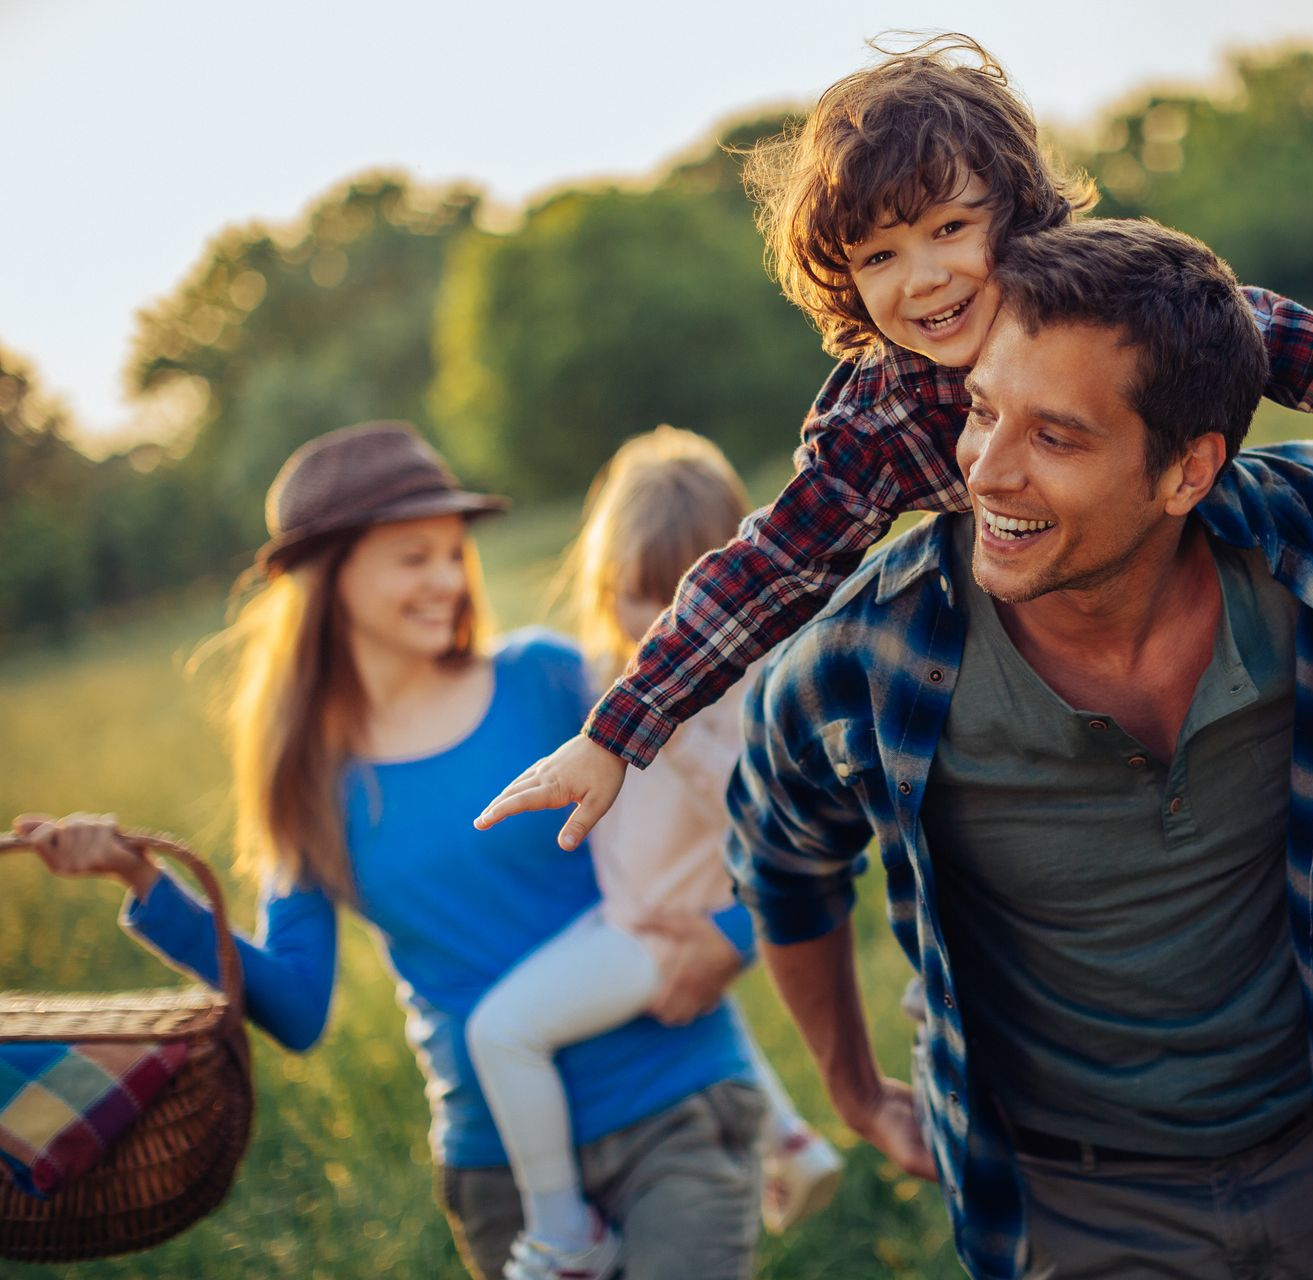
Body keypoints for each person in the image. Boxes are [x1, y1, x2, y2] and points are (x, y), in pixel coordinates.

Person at [475, 32, 1313, 852]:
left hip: (1186, 559)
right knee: (964, 740)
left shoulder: (1112, 297)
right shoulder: (875, 412)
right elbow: (769, 564)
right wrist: (615, 730)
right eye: (877, 257)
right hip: (1023, 632)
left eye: (948, 227)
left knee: (1297, 713)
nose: (924, 278)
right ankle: (964, 961)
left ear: (1009, 208)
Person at [724, 218, 1313, 1279]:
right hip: (1073, 1206)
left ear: (1185, 470)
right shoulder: (861, 659)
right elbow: (779, 860)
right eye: (981, 412)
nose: (986, 470)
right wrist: (849, 1087)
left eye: (1054, 437)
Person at [15, 422, 767, 1280]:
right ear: (329, 581)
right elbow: (296, 1007)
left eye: (453, 553)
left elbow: (752, 808)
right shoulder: (307, 781)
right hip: (501, 1171)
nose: (447, 579)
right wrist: (141, 882)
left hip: (677, 1103)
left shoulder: (551, 678)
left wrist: (731, 941)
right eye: (413, 557)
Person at [464, 425, 842, 1278]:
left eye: (684, 595)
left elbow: (773, 809)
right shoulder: (608, 667)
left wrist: (681, 736)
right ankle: (791, 1140)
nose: (658, 623)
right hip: (640, 910)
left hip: (658, 924)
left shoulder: (734, 691)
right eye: (637, 593)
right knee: (703, 1007)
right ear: (604, 583)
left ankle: (562, 1234)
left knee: (503, 1032)